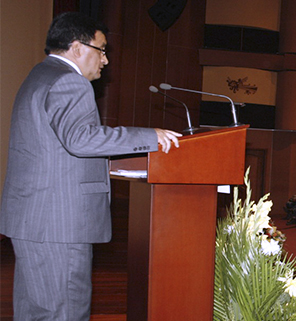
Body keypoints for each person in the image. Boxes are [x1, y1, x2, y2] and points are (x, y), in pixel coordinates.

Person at [0, 12, 182, 321]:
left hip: (34, 219)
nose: (106, 60)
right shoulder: (70, 82)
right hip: (59, 224)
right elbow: (80, 139)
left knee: (36, 311)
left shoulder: (40, 75)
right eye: (102, 49)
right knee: (65, 312)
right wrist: (149, 136)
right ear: (76, 46)